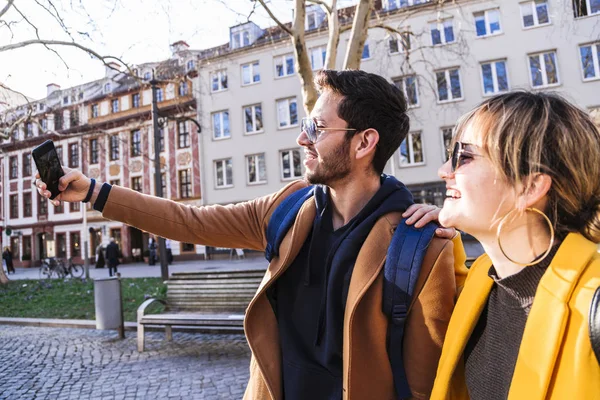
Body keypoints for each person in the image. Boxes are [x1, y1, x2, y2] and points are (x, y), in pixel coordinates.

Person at [36, 69, 467, 399]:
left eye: (317, 128)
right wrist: (93, 192)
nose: (302, 137)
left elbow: (424, 385)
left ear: (363, 143)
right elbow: (190, 223)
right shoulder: (289, 207)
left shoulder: (420, 245)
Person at [418, 91, 599, 399]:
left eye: (464, 156)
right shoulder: (481, 286)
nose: (444, 171)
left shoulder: (594, 301)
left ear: (529, 187)